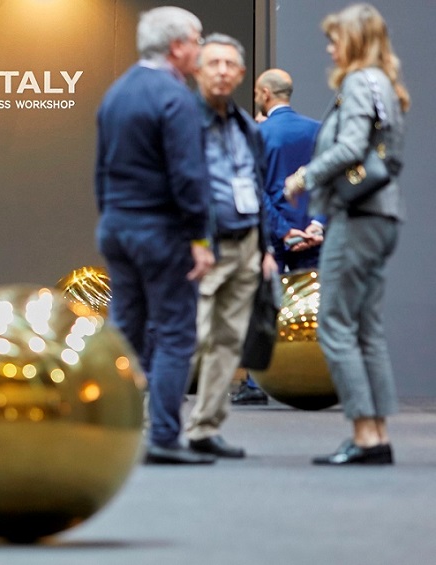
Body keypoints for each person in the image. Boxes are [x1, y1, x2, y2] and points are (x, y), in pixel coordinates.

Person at [284, 3, 408, 465]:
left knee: (335, 324)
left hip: (356, 217)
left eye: (334, 40)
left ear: (354, 41)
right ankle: (376, 435)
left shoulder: (358, 82)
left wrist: (305, 176)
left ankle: (363, 434)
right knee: (367, 329)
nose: (329, 49)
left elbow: (352, 147)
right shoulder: (384, 85)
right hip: (382, 214)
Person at [95, 7, 216, 465]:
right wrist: (200, 239)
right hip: (162, 232)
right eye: (197, 39)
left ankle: (113, 430)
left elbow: (101, 172)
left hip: (117, 227)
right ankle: (164, 436)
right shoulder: (175, 97)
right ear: (177, 46)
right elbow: (189, 177)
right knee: (175, 333)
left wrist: (112, 220)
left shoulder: (116, 93)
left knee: (125, 332)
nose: (201, 49)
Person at [185, 34, 277, 458]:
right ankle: (156, 426)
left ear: (241, 75)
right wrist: (193, 239)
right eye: (213, 63)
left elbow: (257, 188)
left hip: (246, 245)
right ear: (197, 70)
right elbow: (178, 187)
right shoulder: (183, 121)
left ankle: (205, 427)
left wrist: (266, 248)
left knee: (227, 341)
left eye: (229, 65)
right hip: (203, 248)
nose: (222, 71)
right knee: (191, 337)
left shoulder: (245, 126)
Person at [232, 68, 323, 406]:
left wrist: (284, 230)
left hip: (275, 235)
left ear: (264, 94)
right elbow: (331, 182)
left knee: (262, 306)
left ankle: (254, 383)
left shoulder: (257, 134)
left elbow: (255, 193)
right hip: (313, 235)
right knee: (316, 308)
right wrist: (317, 224)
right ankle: (317, 379)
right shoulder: (318, 130)